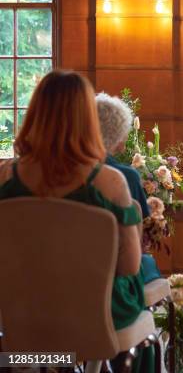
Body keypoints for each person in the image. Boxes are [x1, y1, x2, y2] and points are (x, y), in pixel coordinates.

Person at [0, 70, 153, 372]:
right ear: (88, 118)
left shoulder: (5, 177)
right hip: (98, 317)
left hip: (23, 312)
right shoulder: (110, 182)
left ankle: (54, 364)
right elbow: (129, 266)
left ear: (36, 114)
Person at [96, 92, 161, 283]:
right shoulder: (124, 177)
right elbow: (138, 244)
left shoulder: (60, 176)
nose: (124, 147)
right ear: (115, 135)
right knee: (147, 263)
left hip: (61, 277)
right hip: (113, 279)